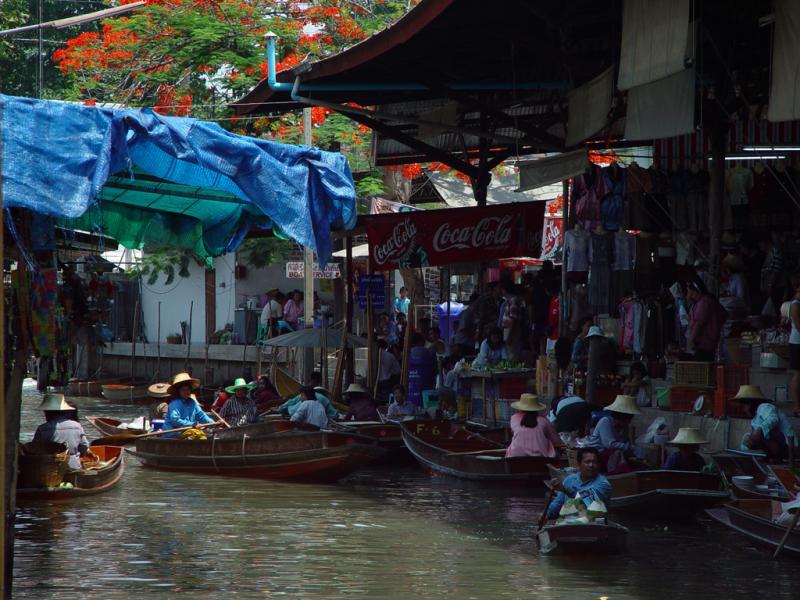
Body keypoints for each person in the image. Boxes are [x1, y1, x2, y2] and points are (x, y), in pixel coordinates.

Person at [33, 393, 97, 469]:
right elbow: (84, 447)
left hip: (51, 469)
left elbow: (34, 449)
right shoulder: (77, 426)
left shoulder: (42, 429)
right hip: (74, 466)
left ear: (47, 412)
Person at [736, 385, 799, 460]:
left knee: (760, 435)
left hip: (789, 447)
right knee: (747, 438)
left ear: (750, 403)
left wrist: (759, 431)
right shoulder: (754, 421)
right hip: (776, 450)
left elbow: (773, 419)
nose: (744, 410)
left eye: (744, 406)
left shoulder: (764, 407)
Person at [545, 447, 612, 519]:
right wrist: (546, 514)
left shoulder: (604, 484)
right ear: (579, 464)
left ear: (598, 465)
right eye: (587, 462)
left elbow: (583, 500)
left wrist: (566, 490)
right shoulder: (569, 480)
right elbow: (557, 503)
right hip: (568, 524)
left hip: (593, 525)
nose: (591, 465)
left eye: (594, 462)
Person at [587, 394, 644, 474]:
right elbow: (609, 444)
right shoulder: (606, 421)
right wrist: (631, 447)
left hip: (611, 455)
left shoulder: (624, 427)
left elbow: (624, 443)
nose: (628, 422)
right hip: (597, 453)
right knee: (617, 453)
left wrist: (632, 445)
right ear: (622, 418)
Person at [505, 394, 562, 458]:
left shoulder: (514, 418)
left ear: (520, 408)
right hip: (540, 457)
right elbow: (557, 441)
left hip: (514, 456)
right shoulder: (544, 420)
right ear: (536, 409)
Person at [162, 372, 214, 437]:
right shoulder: (174, 404)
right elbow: (175, 421)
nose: (186, 392)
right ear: (178, 391)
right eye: (183, 390)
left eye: (188, 389)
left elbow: (202, 416)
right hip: (173, 434)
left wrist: (213, 423)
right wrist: (192, 424)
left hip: (188, 433)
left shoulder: (192, 403)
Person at [686, 280, 727, 362]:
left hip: (705, 345)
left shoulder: (704, 302)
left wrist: (691, 340)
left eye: (691, 293)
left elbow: (699, 324)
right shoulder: (705, 302)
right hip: (709, 344)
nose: (690, 296)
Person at [789, 278, 800, 416]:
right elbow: (798, 325)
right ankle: (797, 406)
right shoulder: (796, 304)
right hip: (797, 343)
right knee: (798, 374)